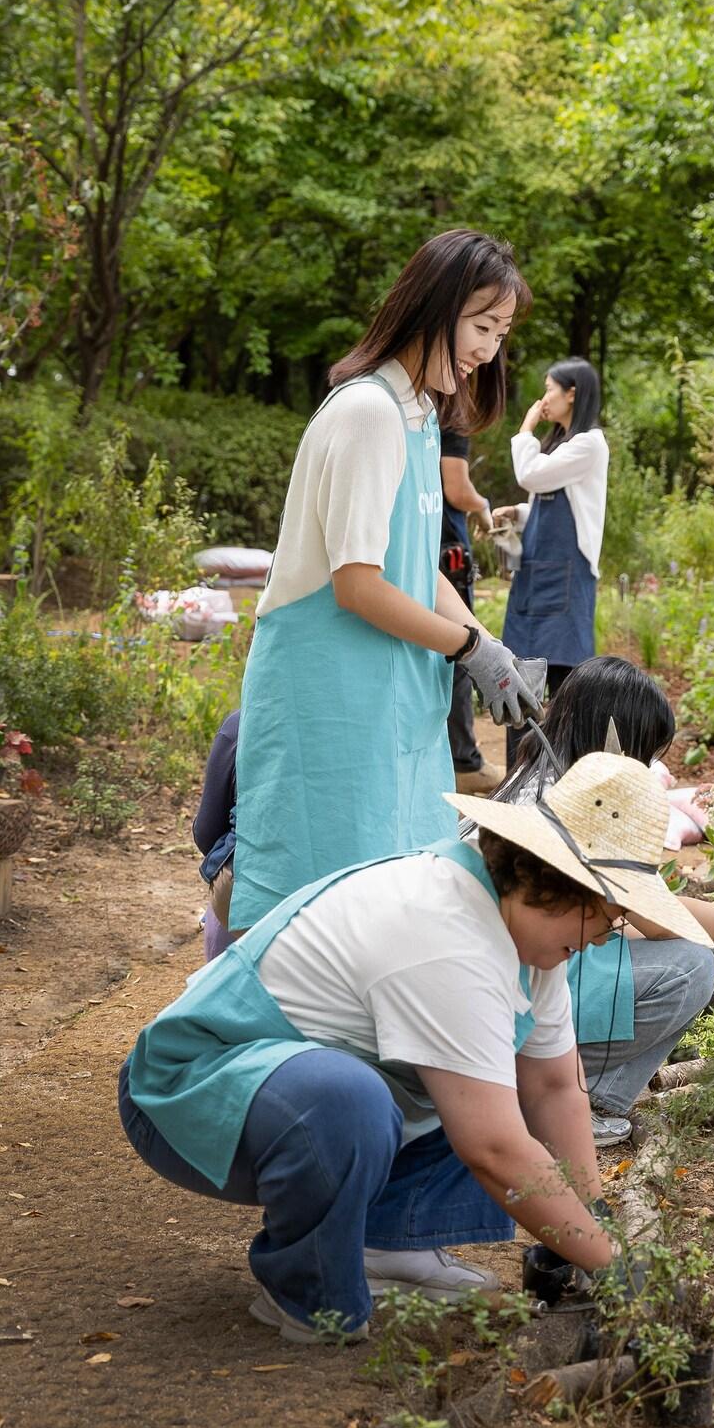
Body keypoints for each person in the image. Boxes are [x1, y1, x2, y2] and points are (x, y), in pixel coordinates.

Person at [118, 752, 707, 1342]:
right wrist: (613, 1265)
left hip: (290, 1086)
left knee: (480, 1081)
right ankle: (306, 1290)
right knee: (357, 1101)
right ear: (557, 886)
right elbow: (494, 1148)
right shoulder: (447, 933)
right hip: (189, 1090)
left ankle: (387, 1244)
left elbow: (553, 1088)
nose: (606, 938)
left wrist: (592, 1225)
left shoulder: (527, 938)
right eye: (606, 916)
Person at [228, 229, 543, 932]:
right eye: (482, 327)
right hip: (331, 695)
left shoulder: (419, 414)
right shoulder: (369, 412)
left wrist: (486, 642)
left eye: (501, 334)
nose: (489, 350)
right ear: (435, 306)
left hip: (389, 695)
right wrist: (468, 649)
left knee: (384, 893)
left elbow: (414, 565)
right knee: (315, 903)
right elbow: (358, 585)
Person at [496, 656, 714, 1145]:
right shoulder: (587, 802)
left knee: (657, 952)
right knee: (689, 968)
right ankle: (579, 1098)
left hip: (497, 989)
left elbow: (625, 917)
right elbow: (661, 919)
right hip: (518, 1002)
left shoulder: (533, 778)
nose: (646, 768)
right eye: (643, 752)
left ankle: (567, 1092)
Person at [497, 358, 609, 768]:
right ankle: (517, 778)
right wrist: (517, 513)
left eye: (549, 389)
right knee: (520, 681)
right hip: (535, 578)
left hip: (566, 579)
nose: (543, 398)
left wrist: (525, 430)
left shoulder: (589, 444)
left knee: (564, 687)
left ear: (572, 393)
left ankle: (559, 778)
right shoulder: (563, 446)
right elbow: (551, 506)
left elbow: (530, 475)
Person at [439, 427, 503, 795]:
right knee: (460, 654)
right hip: (448, 553)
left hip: (423, 548)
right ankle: (464, 761)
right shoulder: (453, 415)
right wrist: (482, 506)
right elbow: (457, 489)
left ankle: (450, 758)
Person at [192, 709, 240, 964]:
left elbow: (206, 831)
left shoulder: (241, 724)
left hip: (245, 892)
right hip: (344, 888)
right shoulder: (356, 723)